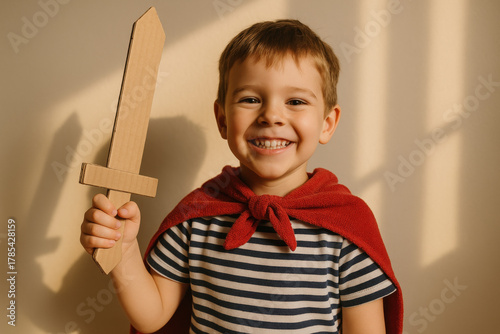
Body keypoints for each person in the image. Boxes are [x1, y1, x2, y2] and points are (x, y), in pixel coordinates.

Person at [80, 19, 403, 334]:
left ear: (327, 123)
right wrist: (122, 252)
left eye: (296, 101)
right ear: (222, 119)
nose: (272, 116)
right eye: (251, 99)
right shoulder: (196, 216)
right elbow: (152, 317)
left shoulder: (346, 227)